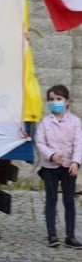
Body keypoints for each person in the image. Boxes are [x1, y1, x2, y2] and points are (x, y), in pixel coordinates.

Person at [34, 84, 82, 249]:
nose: (55, 102)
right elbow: (40, 142)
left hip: (69, 167)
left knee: (69, 200)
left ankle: (70, 236)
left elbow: (78, 143)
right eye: (52, 99)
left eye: (59, 99)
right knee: (51, 199)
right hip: (50, 168)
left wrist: (76, 162)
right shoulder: (45, 123)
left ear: (67, 101)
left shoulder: (75, 122)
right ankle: (52, 234)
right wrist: (51, 155)